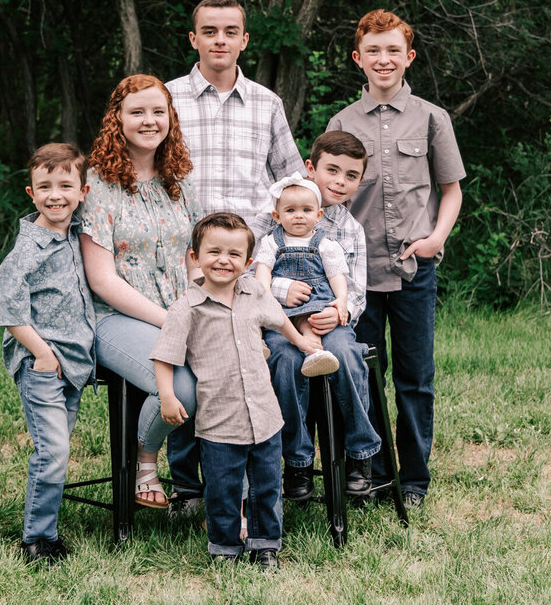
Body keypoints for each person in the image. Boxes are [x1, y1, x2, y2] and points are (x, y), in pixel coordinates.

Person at [164, 0, 306, 507]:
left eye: (230, 31)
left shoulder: (267, 103)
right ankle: (189, 484)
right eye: (209, 31)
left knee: (254, 363)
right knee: (194, 363)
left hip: (249, 265)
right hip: (190, 262)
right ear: (193, 38)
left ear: (245, 40)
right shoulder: (170, 98)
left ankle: (259, 479)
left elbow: (292, 182)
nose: (219, 40)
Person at [326, 9, 466, 511]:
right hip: (359, 277)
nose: (382, 60)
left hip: (413, 270)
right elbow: (330, 193)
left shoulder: (431, 118)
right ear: (357, 59)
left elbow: (451, 191)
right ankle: (374, 475)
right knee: (363, 374)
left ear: (408, 57)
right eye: (373, 51)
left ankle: (415, 480)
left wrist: (435, 239)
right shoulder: (342, 122)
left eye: (392, 51)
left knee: (414, 376)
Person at [151, 212, 324, 568]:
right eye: (214, 252)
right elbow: (164, 356)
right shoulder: (186, 309)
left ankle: (265, 545)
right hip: (219, 420)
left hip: (264, 415)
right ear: (195, 257)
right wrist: (168, 396)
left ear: (246, 263)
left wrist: (303, 342)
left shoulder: (253, 291)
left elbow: (278, 317)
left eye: (233, 255)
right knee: (223, 488)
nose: (223, 260)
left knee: (266, 485)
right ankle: (225, 548)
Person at [79, 74, 204, 509]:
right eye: (137, 112)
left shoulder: (181, 182)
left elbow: (196, 259)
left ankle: (231, 494)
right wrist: (169, 320)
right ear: (118, 119)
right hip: (115, 319)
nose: (149, 121)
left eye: (158, 111)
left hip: (181, 310)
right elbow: (102, 280)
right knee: (183, 387)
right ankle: (144, 457)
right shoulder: (97, 186)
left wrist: (195, 309)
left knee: (228, 366)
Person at [249, 132, 382, 500]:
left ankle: (360, 454)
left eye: (351, 176)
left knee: (348, 356)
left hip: (331, 320)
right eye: (332, 171)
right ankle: (298, 462)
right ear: (311, 169)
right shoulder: (271, 218)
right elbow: (246, 272)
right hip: (283, 322)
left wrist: (339, 310)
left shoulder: (350, 230)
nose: (340, 182)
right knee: (285, 361)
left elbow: (356, 289)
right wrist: (281, 290)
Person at [0, 143, 95, 565]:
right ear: (30, 193)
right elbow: (6, 304)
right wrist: (43, 354)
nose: (56, 195)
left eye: (65, 185)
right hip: (44, 367)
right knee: (54, 452)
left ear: (82, 191)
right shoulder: (28, 249)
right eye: (45, 186)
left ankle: (47, 531)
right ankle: (36, 539)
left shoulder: (73, 233)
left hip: (72, 364)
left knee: (58, 448)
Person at [253, 173, 345, 378]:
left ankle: (314, 353)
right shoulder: (272, 241)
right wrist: (266, 294)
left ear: (319, 215)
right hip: (280, 306)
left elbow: (336, 274)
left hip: (312, 301)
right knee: (260, 315)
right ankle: (256, 343)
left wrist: (342, 299)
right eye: (290, 210)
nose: (299, 215)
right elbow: (263, 269)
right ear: (277, 216)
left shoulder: (324, 244)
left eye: (306, 210)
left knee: (309, 321)